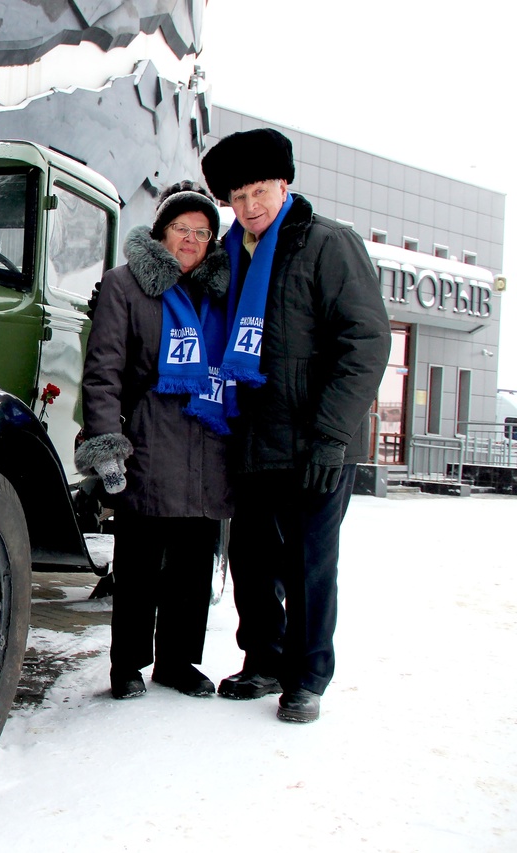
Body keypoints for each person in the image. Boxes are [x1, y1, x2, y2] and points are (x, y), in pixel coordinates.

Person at [200, 128, 391, 723]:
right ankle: (263, 660)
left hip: (315, 441)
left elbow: (365, 342)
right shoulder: (228, 255)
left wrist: (333, 433)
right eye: (237, 198)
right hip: (252, 439)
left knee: (310, 565)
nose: (250, 207)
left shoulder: (328, 245)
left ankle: (307, 677)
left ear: (285, 183)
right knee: (253, 563)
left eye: (259, 191)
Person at [77, 180, 233, 701]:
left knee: (193, 563)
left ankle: (178, 662)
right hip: (148, 440)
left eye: (203, 232)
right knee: (140, 562)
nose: (192, 239)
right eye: (182, 229)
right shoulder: (126, 285)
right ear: (162, 232)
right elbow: (103, 372)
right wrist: (107, 445)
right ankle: (127, 666)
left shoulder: (221, 293)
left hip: (208, 445)